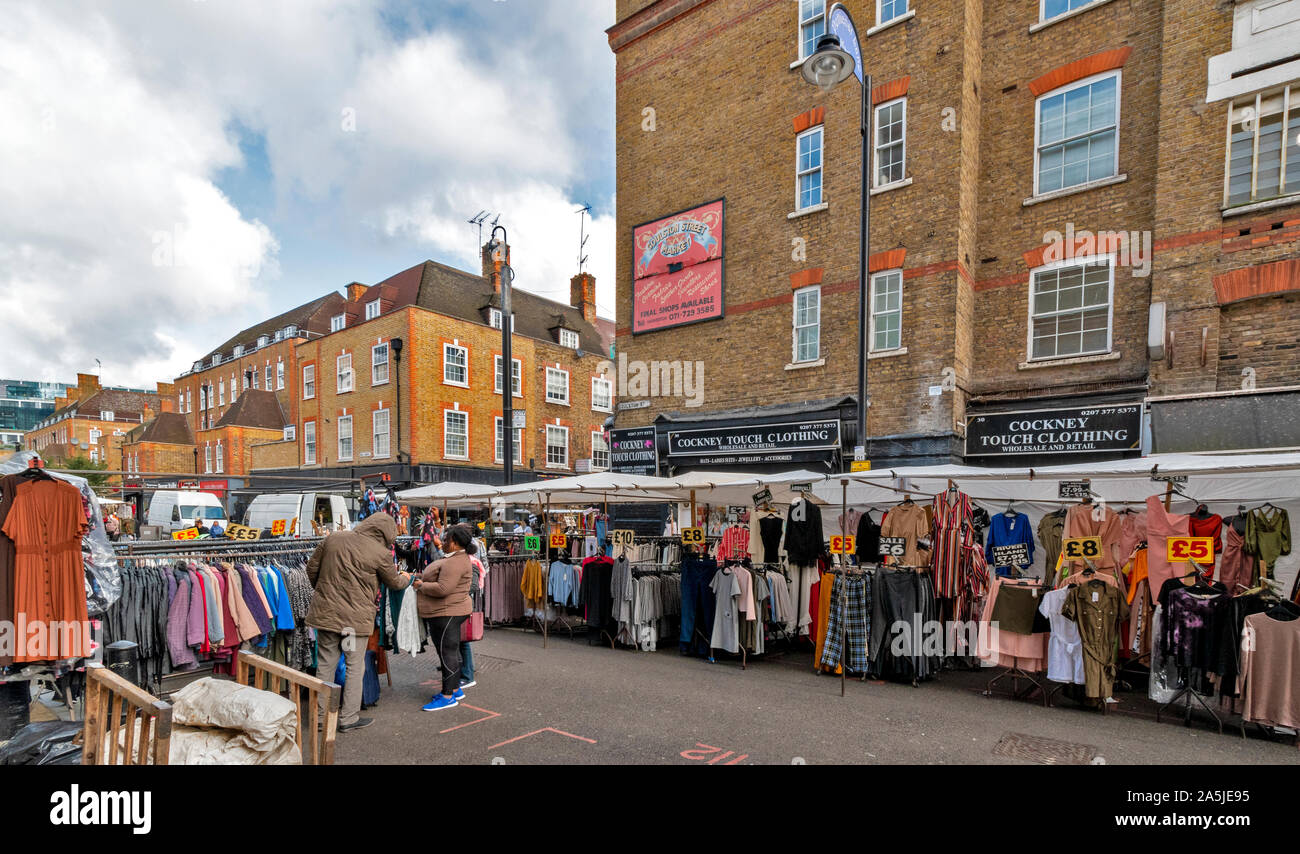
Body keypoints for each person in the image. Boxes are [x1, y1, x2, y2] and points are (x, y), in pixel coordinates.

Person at [305, 513, 411, 731]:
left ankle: (320, 719)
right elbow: (394, 583)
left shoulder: (333, 539)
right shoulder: (380, 553)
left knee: (325, 665)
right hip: (353, 625)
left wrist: (324, 592)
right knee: (354, 666)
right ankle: (348, 718)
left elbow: (311, 569)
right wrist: (407, 578)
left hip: (327, 617)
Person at [413, 523, 474, 711]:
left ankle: (448, 697)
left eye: (446, 540)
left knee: (447, 652)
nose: (443, 542)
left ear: (454, 543)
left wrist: (420, 585)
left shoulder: (455, 561)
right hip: (450, 611)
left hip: (448, 612)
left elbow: (443, 589)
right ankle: (454, 690)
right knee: (449, 652)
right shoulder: (457, 558)